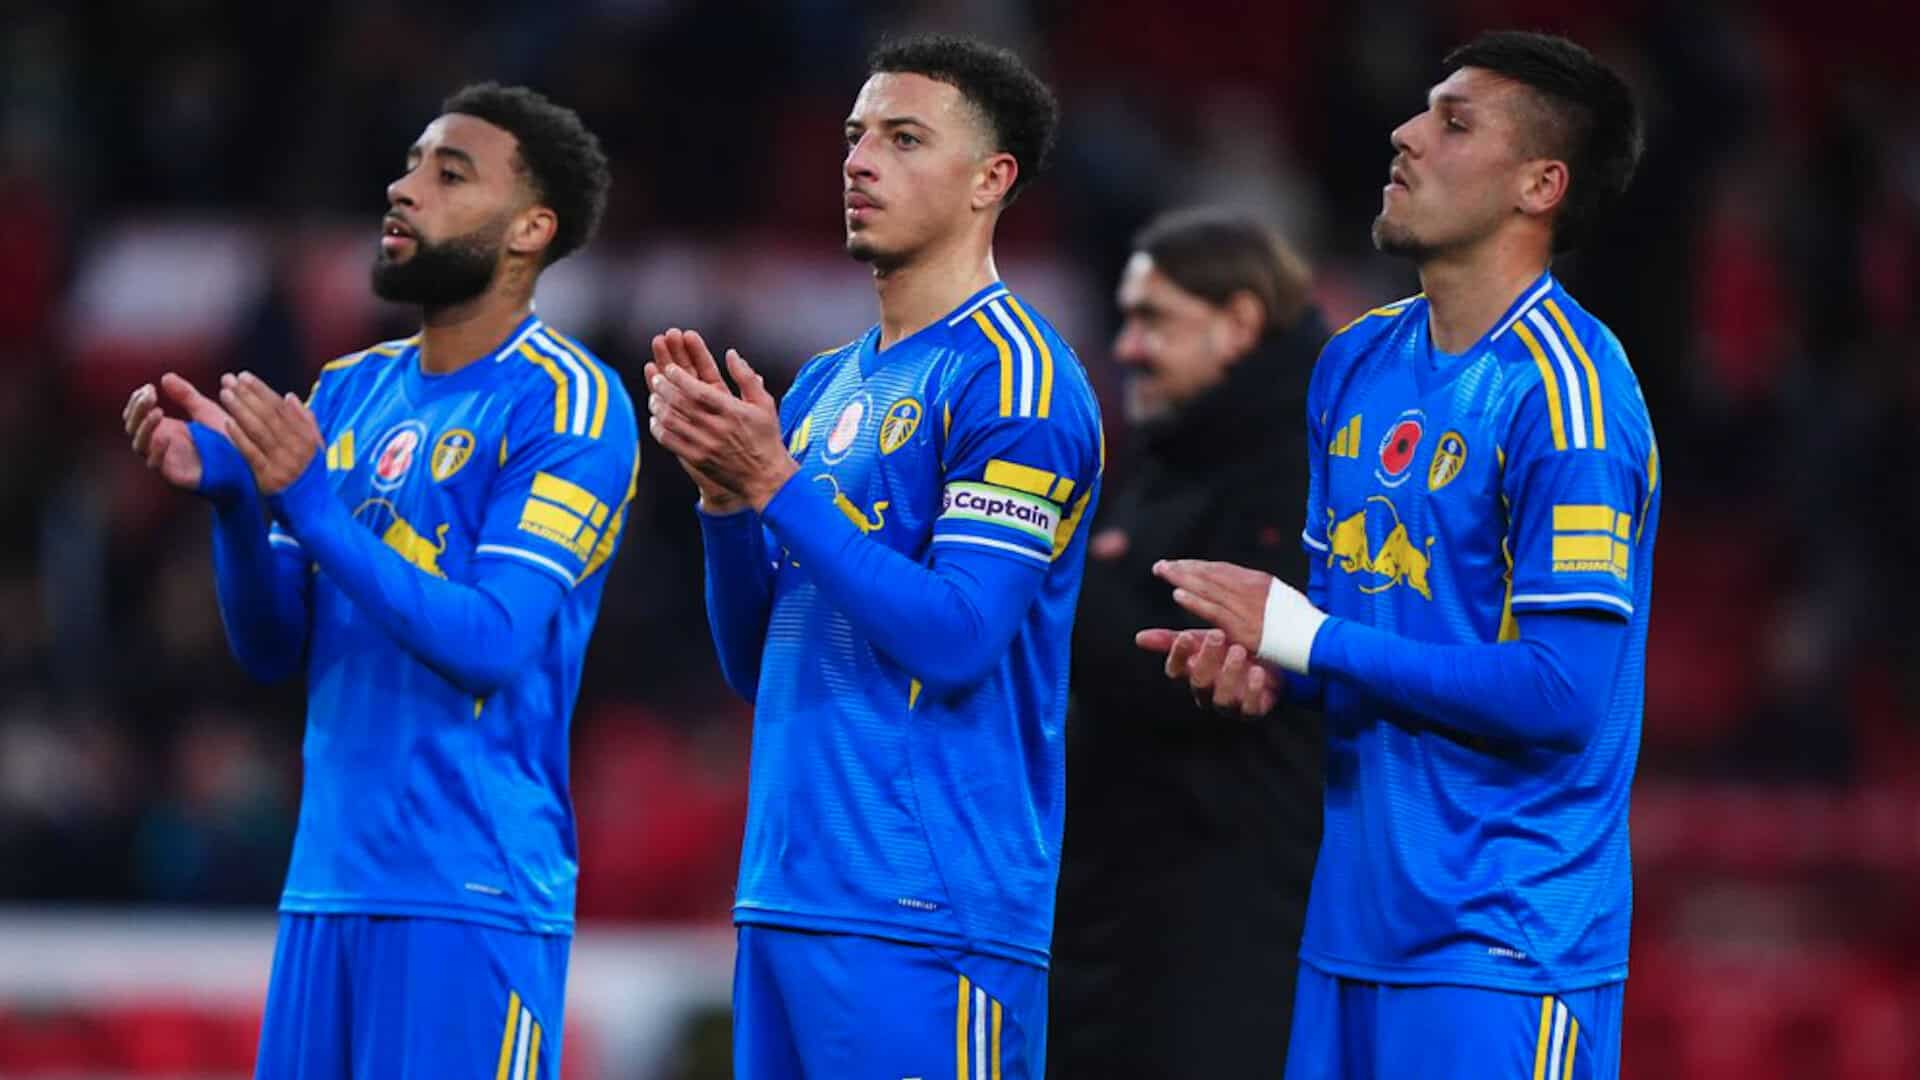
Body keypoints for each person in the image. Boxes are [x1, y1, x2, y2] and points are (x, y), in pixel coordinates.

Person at [1140, 31, 1655, 1080]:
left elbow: (1563, 691)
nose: (1405, 133)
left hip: (1505, 946)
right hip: (1350, 939)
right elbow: (1355, 638)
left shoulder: (1572, 398)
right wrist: (1272, 669)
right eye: (1423, 110)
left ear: (1539, 186)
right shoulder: (1356, 361)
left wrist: (1308, 637)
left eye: (1454, 121)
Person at [121, 83, 632, 1080]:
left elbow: (491, 639)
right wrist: (236, 501)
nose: (403, 189)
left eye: (449, 173)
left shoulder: (570, 402)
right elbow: (273, 647)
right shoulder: (348, 390)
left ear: (531, 228)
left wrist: (308, 503)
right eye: (409, 164)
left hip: (472, 895)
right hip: (328, 887)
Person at [643, 35, 1101, 1079]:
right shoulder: (820, 389)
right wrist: (724, 506)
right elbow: (759, 665)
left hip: (930, 913)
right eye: (854, 137)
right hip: (787, 894)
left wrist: (775, 487)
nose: (857, 161)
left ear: (993, 180)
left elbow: (958, 637)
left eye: (903, 138)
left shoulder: (1018, 380)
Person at [1050, 209, 1328, 1077]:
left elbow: (1205, 670)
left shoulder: (1303, 467)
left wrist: (1044, 570)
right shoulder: (1164, 453)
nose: (1127, 346)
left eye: (1154, 319)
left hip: (1223, 923)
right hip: (1114, 907)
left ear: (1238, 321)